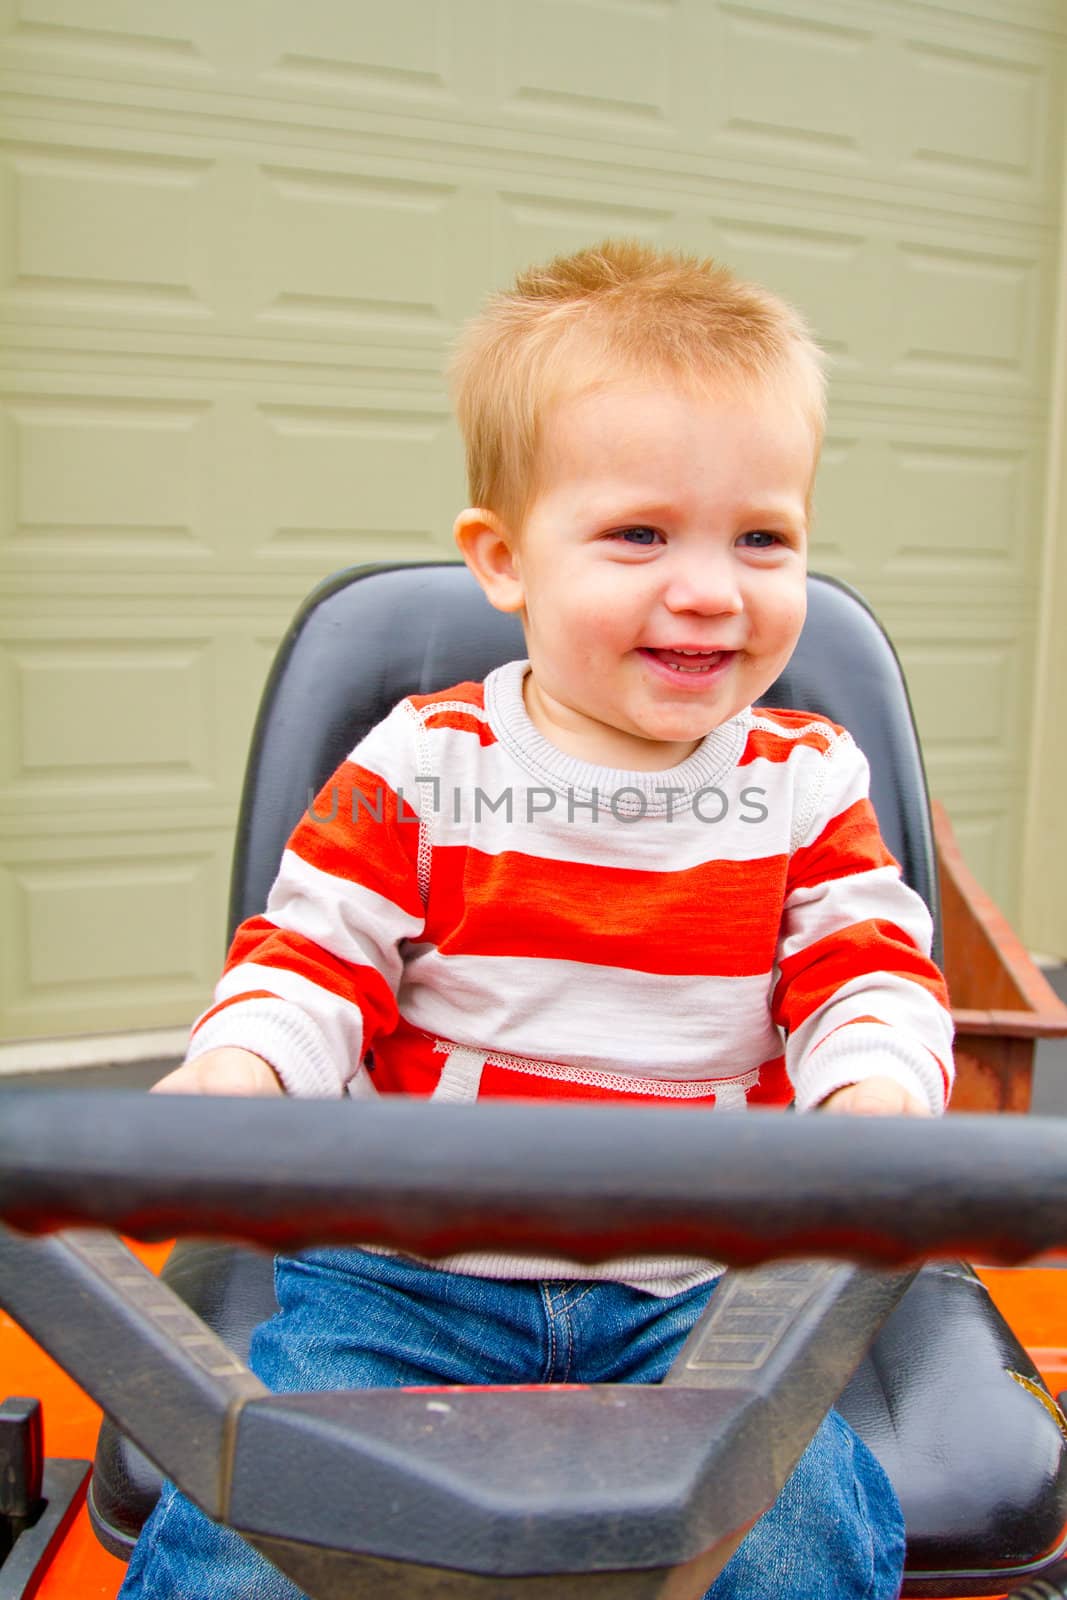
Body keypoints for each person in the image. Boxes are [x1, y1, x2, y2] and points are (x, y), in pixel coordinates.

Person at [119, 240, 954, 1600]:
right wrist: (239, 1075)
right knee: (255, 1544)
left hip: (710, 1289)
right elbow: (311, 961)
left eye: (762, 537)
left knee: (796, 1539)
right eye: (640, 534)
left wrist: (871, 1087)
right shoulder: (419, 764)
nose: (709, 587)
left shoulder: (806, 783)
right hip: (409, 1279)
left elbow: (870, 967)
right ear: (504, 560)